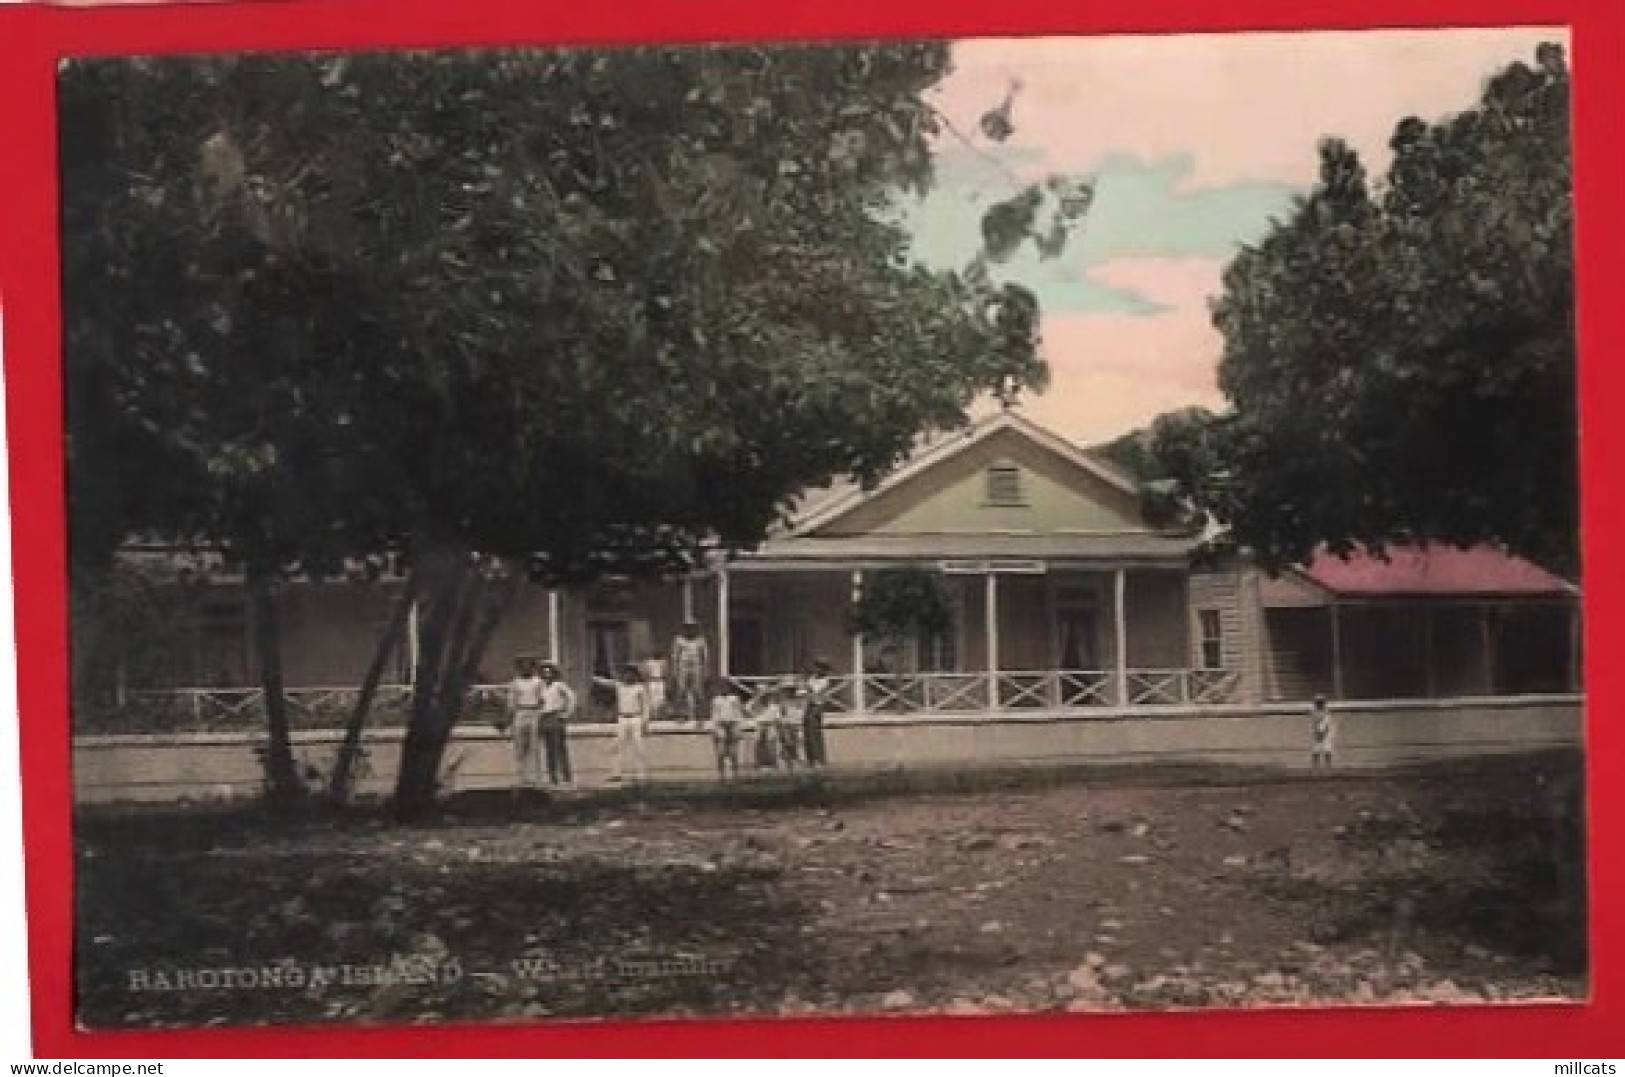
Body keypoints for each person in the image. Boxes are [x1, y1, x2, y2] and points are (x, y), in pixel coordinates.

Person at [593, 662, 652, 784]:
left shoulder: (640, 688)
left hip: (636, 718)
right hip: (622, 719)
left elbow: (646, 706)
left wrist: (645, 722)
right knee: (616, 745)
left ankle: (640, 774)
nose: (628, 676)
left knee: (638, 746)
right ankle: (616, 773)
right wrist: (593, 677)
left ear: (635, 675)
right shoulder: (620, 686)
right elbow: (606, 683)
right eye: (626, 673)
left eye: (631, 673)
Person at [505, 655, 546, 790]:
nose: (526, 668)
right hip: (520, 713)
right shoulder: (515, 683)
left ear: (533, 667)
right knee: (520, 747)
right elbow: (511, 702)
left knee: (535, 746)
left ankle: (537, 778)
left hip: (534, 713)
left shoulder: (538, 682)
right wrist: (510, 720)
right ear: (519, 668)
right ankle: (521, 778)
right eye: (523, 665)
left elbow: (542, 700)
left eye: (529, 665)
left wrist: (540, 712)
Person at [538, 662, 576, 788]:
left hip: (556, 716)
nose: (546, 675)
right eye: (544, 672)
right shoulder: (540, 686)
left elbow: (571, 698)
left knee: (560, 748)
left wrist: (566, 713)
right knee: (549, 750)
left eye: (549, 672)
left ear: (553, 673)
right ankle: (553, 777)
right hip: (544, 718)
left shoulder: (559, 685)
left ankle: (567, 777)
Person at [670, 620, 710, 723]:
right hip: (683, 666)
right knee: (681, 691)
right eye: (687, 627)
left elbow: (705, 657)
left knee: (698, 691)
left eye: (692, 627)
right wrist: (674, 671)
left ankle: (699, 715)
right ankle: (681, 715)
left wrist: (706, 671)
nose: (690, 629)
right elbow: (675, 656)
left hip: (697, 666)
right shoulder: (679, 640)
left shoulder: (700, 640)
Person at [708, 679, 747, 780]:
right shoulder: (716, 700)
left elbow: (738, 714)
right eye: (722, 687)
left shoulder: (734, 699)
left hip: (733, 724)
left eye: (726, 686)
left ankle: (735, 774)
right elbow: (714, 715)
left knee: (733, 752)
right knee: (721, 752)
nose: (724, 689)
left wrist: (739, 728)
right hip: (721, 725)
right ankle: (722, 775)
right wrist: (714, 728)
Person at [802, 659, 833, 768]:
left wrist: (808, 688)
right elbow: (807, 691)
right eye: (817, 667)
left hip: (818, 706)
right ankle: (810, 759)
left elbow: (816, 692)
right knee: (807, 732)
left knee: (814, 732)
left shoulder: (825, 680)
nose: (817, 669)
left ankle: (819, 759)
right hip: (809, 705)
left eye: (820, 667)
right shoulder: (812, 678)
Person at [1310, 694, 1335, 771]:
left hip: (1326, 734)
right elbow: (1313, 724)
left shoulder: (1327, 713)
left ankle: (1328, 768)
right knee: (1315, 752)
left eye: (1321, 702)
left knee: (1327, 751)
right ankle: (1315, 768)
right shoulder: (1313, 712)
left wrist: (1324, 733)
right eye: (1318, 702)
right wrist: (1316, 733)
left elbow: (1328, 725)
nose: (1319, 704)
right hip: (1317, 734)